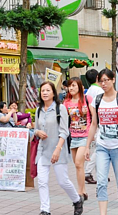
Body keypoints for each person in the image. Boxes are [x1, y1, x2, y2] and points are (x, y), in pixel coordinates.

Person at [85, 69, 118, 215]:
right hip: (102, 146)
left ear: (113, 80)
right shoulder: (97, 100)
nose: (104, 83)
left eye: (106, 80)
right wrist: (88, 146)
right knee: (101, 182)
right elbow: (94, 124)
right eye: (101, 81)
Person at [35, 81, 84, 215]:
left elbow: (64, 131)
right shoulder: (38, 109)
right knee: (42, 182)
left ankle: (77, 200)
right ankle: (45, 210)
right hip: (43, 151)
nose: (44, 93)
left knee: (63, 181)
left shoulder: (60, 108)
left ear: (53, 93)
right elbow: (35, 129)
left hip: (58, 150)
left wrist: (58, 149)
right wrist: (37, 132)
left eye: (47, 90)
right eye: (42, 91)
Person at [63, 77, 92, 201]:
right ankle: (83, 190)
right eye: (70, 86)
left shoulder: (87, 99)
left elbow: (94, 118)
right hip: (73, 137)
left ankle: (80, 192)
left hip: (85, 136)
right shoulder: (66, 102)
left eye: (74, 85)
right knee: (77, 165)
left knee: (79, 163)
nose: (71, 88)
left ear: (80, 86)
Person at [84, 69, 104, 185]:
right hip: (99, 122)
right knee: (99, 148)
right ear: (98, 77)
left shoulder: (89, 91)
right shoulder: (99, 90)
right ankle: (88, 171)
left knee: (98, 148)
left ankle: (101, 174)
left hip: (92, 122)